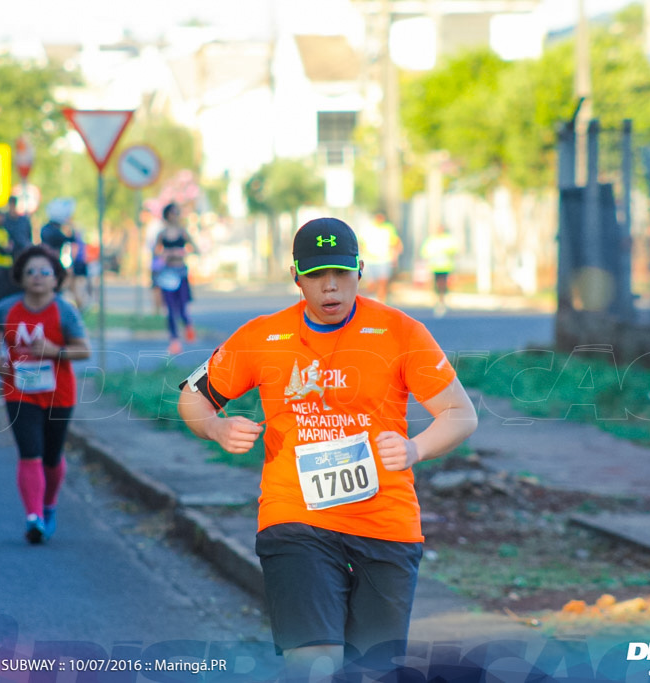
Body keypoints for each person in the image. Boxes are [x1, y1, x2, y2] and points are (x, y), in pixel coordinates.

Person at [176, 217, 477, 680]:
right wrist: (215, 429)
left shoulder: (400, 332)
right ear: (296, 275)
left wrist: (416, 449)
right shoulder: (262, 336)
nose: (330, 287)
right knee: (313, 665)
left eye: (340, 272)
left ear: (361, 270)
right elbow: (193, 397)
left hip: (386, 522)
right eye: (316, 275)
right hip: (295, 518)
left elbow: (460, 413)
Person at [0, 244, 91, 544]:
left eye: (45, 272)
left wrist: (55, 351)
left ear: (56, 279)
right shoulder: (7, 308)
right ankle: (33, 518)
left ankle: (48, 506)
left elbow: (85, 350)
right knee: (30, 452)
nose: (37, 277)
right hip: (19, 391)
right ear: (20, 277)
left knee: (52, 456)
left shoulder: (64, 311)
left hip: (59, 393)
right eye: (30, 272)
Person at [153, 202, 198, 355]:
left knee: (183, 307)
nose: (175, 216)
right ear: (167, 215)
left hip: (181, 273)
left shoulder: (182, 232)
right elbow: (155, 253)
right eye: (172, 213)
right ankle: (174, 340)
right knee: (170, 310)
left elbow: (194, 248)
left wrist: (181, 252)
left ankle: (188, 325)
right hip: (167, 275)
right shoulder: (162, 234)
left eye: (177, 212)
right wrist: (163, 255)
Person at [359, 213, 402, 304]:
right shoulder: (368, 228)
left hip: (384, 259)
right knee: (371, 284)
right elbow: (361, 244)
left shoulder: (389, 228)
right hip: (370, 260)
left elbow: (395, 243)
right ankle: (372, 301)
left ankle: (381, 303)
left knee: (383, 282)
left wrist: (395, 257)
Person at [421, 225, 459, 317]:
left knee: (443, 284)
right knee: (437, 284)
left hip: (445, 267)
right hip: (435, 267)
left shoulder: (448, 239)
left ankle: (442, 301)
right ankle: (438, 300)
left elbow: (454, 251)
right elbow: (424, 252)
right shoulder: (432, 240)